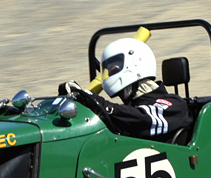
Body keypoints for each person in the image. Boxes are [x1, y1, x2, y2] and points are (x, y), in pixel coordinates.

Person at [60, 38, 193, 141]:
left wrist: (97, 102)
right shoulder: (129, 110)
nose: (109, 75)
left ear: (134, 65)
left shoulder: (174, 104)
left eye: (114, 70)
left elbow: (143, 119)